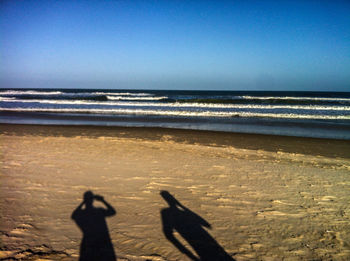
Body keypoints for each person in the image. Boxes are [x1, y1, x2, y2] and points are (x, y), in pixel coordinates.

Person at [160, 190, 234, 261]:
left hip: (196, 236)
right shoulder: (167, 212)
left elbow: (169, 234)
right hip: (198, 235)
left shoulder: (166, 212)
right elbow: (169, 234)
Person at [72, 191, 116, 261]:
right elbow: (112, 212)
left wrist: (83, 202)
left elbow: (74, 216)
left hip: (90, 243)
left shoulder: (84, 213)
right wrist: (102, 201)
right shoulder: (98, 211)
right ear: (92, 200)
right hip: (101, 242)